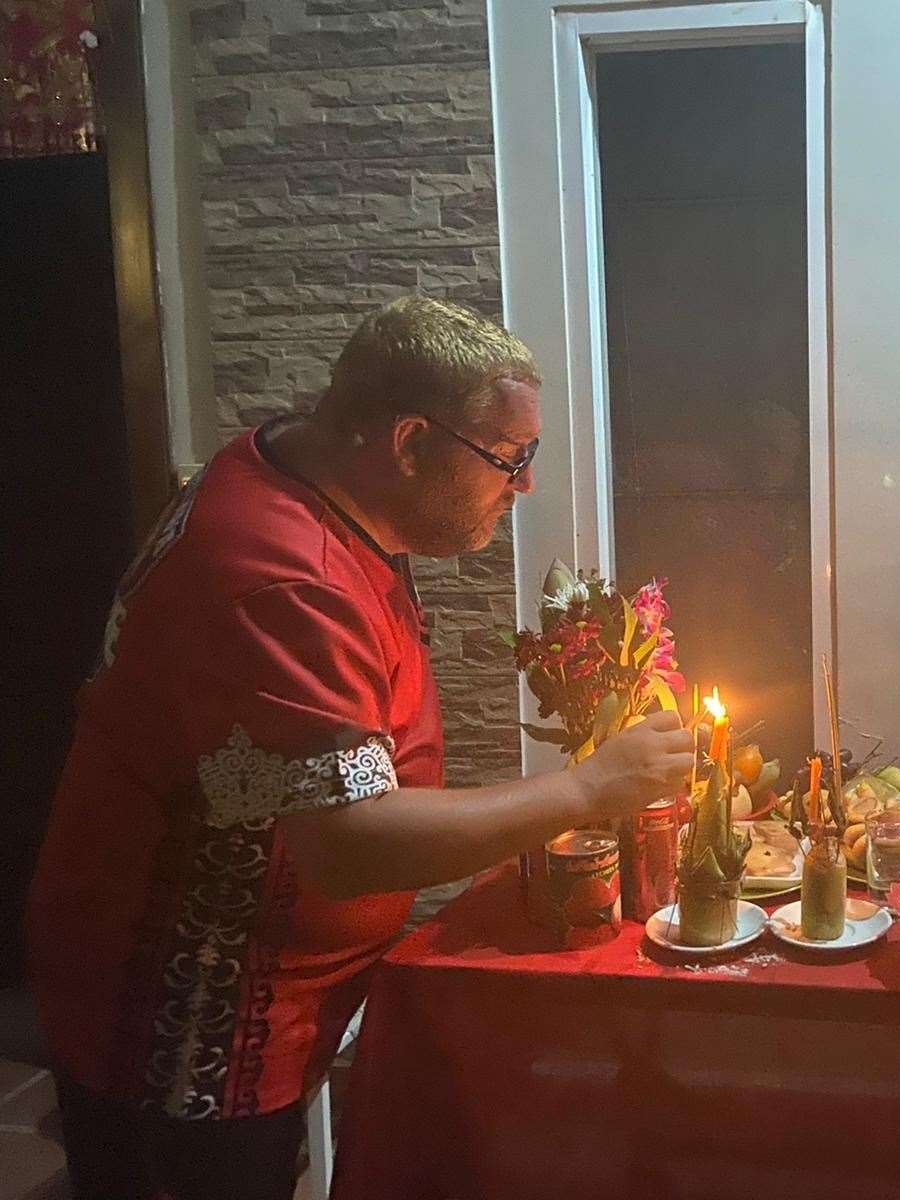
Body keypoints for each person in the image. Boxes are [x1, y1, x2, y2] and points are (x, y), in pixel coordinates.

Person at [25, 296, 694, 1199]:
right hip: (185, 1021)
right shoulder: (282, 575)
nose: (523, 484)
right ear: (409, 442)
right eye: (509, 458)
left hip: (260, 993)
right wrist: (588, 790)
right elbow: (349, 843)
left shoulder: (311, 474)